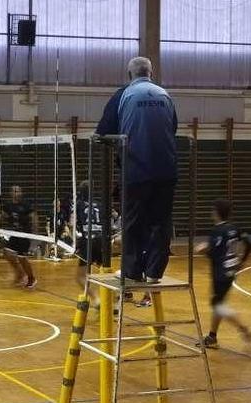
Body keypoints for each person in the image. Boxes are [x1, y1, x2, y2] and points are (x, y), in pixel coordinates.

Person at [116, 57, 178, 283]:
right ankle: (154, 272)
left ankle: (132, 271)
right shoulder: (164, 95)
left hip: (136, 169)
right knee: (161, 221)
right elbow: (173, 127)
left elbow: (122, 130)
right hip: (166, 170)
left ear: (129, 74)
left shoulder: (127, 96)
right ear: (151, 73)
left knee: (132, 221)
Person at [195, 200, 251, 349]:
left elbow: (214, 252)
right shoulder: (235, 228)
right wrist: (242, 261)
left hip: (220, 273)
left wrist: (202, 249)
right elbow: (250, 244)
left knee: (218, 305)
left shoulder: (217, 230)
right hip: (231, 270)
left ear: (216, 213)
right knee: (218, 303)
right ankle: (212, 337)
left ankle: (243, 329)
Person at [0, 186, 38, 289]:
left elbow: (34, 217)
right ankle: (20, 274)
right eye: (15, 191)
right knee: (7, 253)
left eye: (18, 191)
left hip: (24, 234)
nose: (17, 193)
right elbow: (2, 215)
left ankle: (31, 278)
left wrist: (35, 233)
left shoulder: (26, 205)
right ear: (11, 193)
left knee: (22, 258)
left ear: (21, 193)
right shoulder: (8, 206)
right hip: (14, 234)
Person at [73, 181, 102, 307]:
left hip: (88, 242)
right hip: (101, 241)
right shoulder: (100, 205)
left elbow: (72, 222)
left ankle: (96, 299)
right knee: (106, 272)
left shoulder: (78, 205)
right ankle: (115, 297)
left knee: (80, 277)